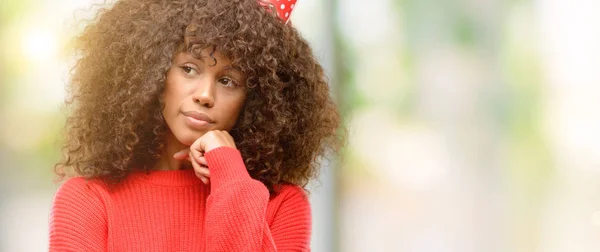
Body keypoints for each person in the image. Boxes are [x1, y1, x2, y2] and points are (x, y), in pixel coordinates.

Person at [48, 0, 342, 251]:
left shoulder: (280, 205)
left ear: (256, 99)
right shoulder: (88, 198)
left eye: (228, 81)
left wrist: (229, 172)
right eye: (189, 69)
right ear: (154, 72)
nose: (204, 95)